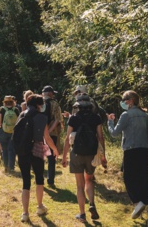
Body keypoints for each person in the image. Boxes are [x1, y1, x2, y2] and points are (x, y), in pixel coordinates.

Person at [107, 90, 148, 219]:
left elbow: (114, 133)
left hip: (130, 151)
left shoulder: (126, 115)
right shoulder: (145, 115)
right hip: (144, 151)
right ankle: (142, 202)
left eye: (124, 100)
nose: (123, 103)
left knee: (129, 178)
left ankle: (138, 202)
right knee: (143, 178)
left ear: (131, 101)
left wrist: (110, 122)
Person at [62, 93, 107, 223]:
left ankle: (82, 214)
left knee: (79, 185)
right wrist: (103, 155)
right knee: (89, 180)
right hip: (91, 153)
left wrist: (64, 157)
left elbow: (67, 139)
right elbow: (101, 137)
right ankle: (92, 203)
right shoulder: (96, 118)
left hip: (76, 153)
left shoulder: (74, 118)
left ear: (78, 106)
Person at [18, 94, 59, 222]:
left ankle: (25, 213)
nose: (43, 106)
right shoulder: (42, 117)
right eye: (41, 104)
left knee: (26, 182)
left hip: (23, 151)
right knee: (39, 179)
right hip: (37, 149)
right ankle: (40, 206)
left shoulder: (22, 115)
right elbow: (47, 137)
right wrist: (55, 149)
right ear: (38, 105)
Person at [42, 85, 63, 187]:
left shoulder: (38, 102)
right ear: (50, 93)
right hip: (52, 134)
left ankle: (39, 179)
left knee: (39, 156)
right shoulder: (55, 104)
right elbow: (57, 119)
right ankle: (50, 181)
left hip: (38, 133)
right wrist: (49, 131)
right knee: (51, 158)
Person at [0, 95, 20, 172]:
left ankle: (6, 166)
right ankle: (11, 167)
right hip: (13, 132)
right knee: (11, 150)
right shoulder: (16, 109)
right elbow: (19, 121)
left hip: (3, 131)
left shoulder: (2, 109)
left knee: (4, 149)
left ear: (4, 102)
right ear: (13, 102)